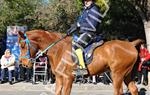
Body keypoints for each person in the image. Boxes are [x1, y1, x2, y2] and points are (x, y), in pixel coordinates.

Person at [67, 0, 102, 75]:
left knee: (77, 46)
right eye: (84, 0)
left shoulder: (94, 9)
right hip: (84, 32)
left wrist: (79, 25)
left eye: (88, 0)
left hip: (91, 33)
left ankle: (82, 68)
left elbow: (93, 24)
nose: (86, 2)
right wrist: (72, 28)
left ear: (92, 1)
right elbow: (79, 22)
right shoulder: (85, 10)